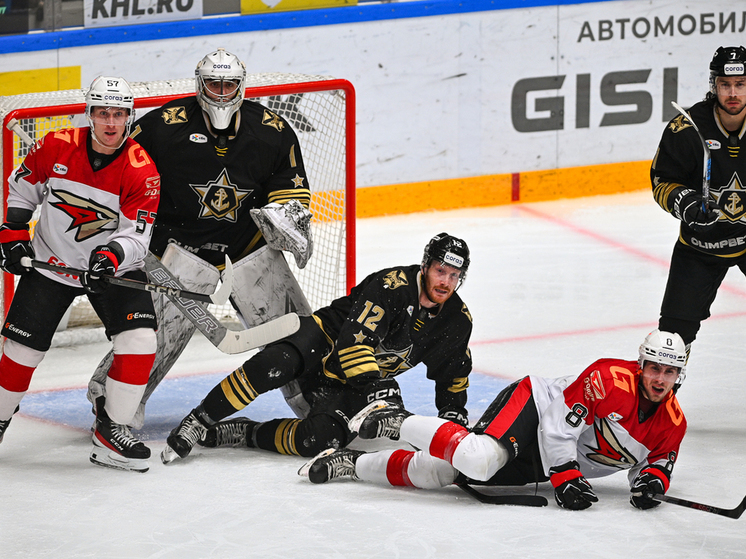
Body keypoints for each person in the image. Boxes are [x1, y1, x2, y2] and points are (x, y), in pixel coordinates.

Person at [87, 47, 313, 428]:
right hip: (178, 251)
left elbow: (291, 194)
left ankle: (323, 403)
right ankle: (111, 402)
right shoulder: (162, 126)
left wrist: (288, 222)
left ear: (241, 86)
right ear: (199, 84)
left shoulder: (273, 131)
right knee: (151, 337)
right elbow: (125, 177)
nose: (222, 93)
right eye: (214, 84)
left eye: (229, 85)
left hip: (249, 250)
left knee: (299, 335)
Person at [160, 232, 473, 464]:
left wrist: (453, 421)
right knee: (275, 363)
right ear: (425, 265)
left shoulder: (456, 321)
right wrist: (381, 395)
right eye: (440, 270)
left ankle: (246, 433)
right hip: (324, 341)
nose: (445, 281)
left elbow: (453, 376)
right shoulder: (392, 287)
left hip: (348, 381)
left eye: (454, 275)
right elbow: (354, 345)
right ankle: (198, 420)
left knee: (321, 439)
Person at [301, 330, 688, 511]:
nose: (659, 379)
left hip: (548, 461)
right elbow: (557, 426)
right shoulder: (608, 379)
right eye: (653, 368)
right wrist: (567, 476)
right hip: (536, 409)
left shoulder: (673, 424)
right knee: (478, 458)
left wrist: (650, 485)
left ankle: (354, 465)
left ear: (678, 376)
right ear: (641, 366)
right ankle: (396, 419)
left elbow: (654, 464)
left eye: (668, 372)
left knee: (445, 471)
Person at [0, 76, 160, 472]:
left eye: (119, 113)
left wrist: (110, 257)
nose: (110, 122)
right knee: (22, 349)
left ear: (129, 116)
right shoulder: (55, 145)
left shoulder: (142, 170)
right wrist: (15, 236)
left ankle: (112, 430)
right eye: (102, 112)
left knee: (140, 339)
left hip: (109, 271)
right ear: (89, 114)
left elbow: (137, 236)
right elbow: (21, 191)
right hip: (52, 262)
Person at [651, 45, 746, 356]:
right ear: (713, 85)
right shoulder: (688, 128)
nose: (733, 93)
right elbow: (662, 180)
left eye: (741, 84)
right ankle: (660, 403)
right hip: (699, 247)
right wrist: (687, 202)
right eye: (725, 85)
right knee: (671, 342)